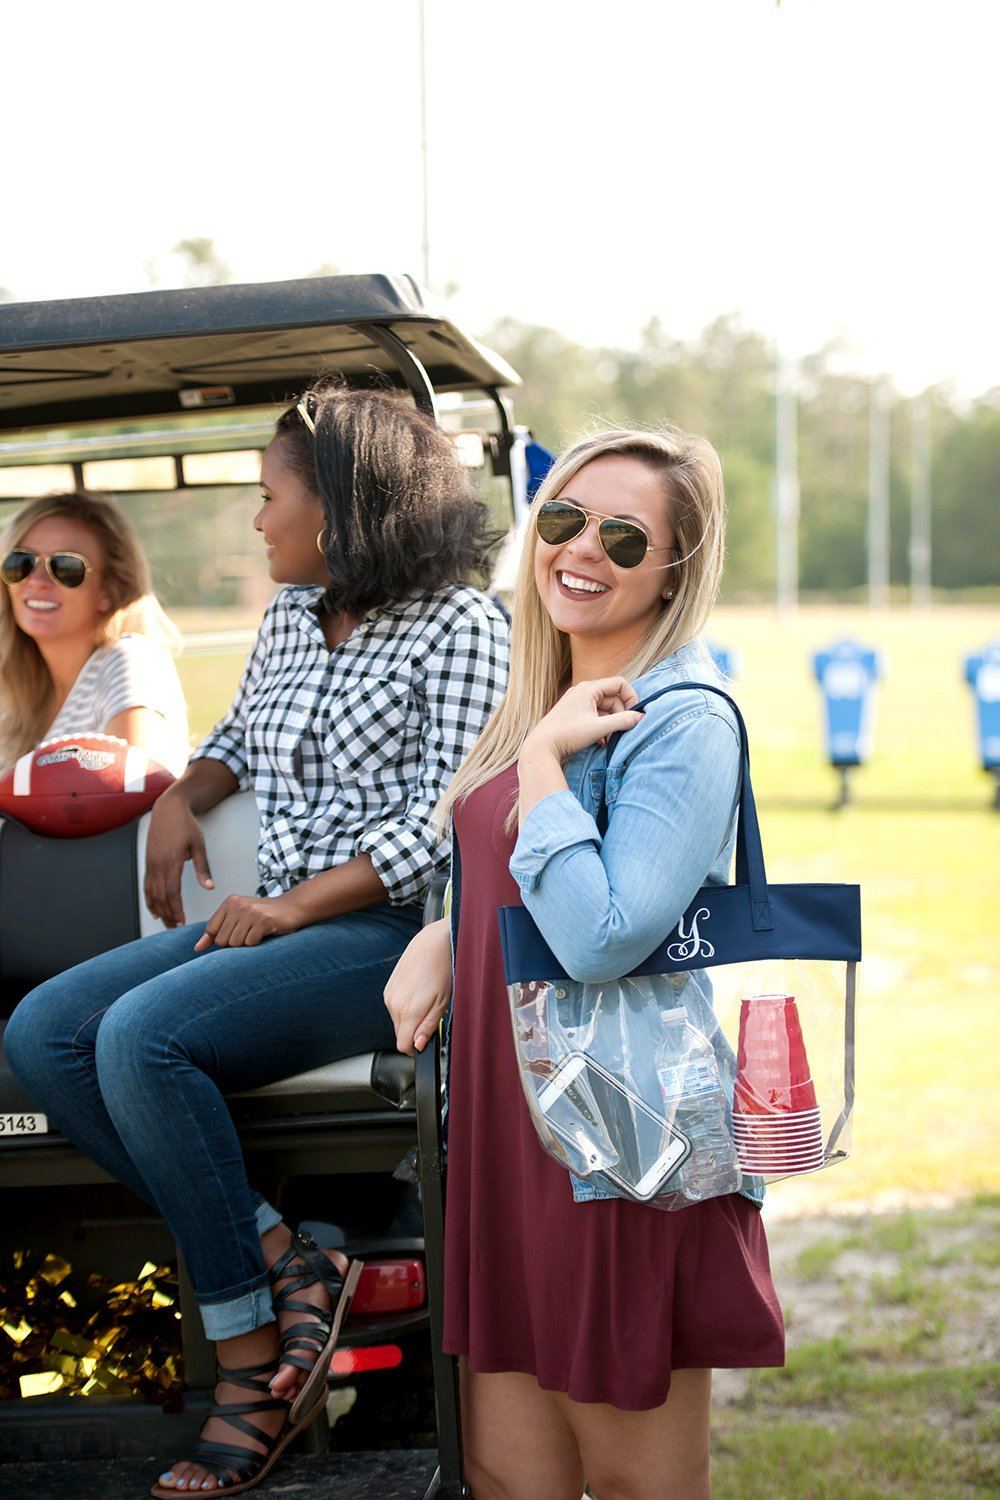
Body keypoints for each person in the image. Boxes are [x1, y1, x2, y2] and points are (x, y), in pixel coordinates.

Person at [4, 383, 509, 1496]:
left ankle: (244, 1367)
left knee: (138, 1040)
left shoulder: (464, 627)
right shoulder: (293, 612)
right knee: (44, 1033)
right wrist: (189, 789)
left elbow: (449, 818)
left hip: (385, 942)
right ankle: (289, 1257)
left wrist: (291, 907)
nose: (256, 518)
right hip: (272, 927)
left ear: (340, 507)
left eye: (268, 494)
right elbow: (240, 732)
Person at [385, 425, 785, 1500]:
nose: (584, 550)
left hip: (614, 1143)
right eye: (564, 519)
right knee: (510, 1483)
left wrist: (540, 759)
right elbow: (516, 875)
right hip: (508, 1134)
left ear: (673, 572)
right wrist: (448, 927)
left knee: (636, 1483)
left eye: (624, 536)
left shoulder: (680, 719)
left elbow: (604, 937)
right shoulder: (545, 688)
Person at [0, 490, 189, 776]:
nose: (37, 582)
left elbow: (135, 787)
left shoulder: (131, 659)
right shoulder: (20, 700)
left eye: (65, 567)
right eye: (21, 563)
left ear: (109, 590)